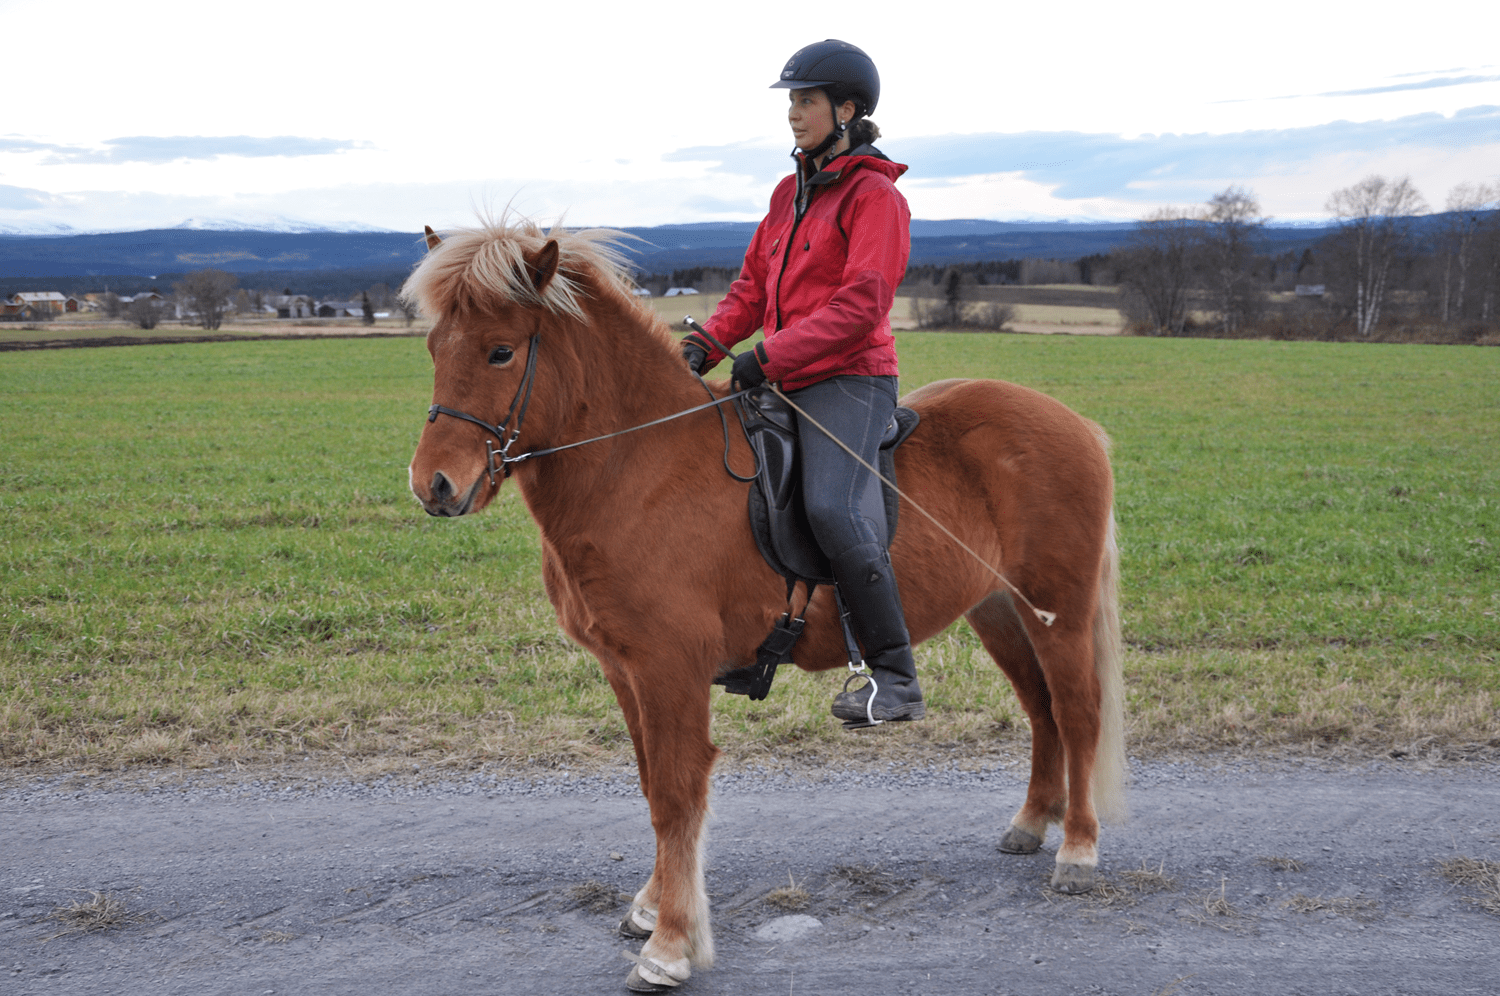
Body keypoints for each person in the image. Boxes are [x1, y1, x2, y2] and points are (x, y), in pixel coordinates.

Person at [681, 39, 922, 725]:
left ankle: (894, 676)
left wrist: (769, 357)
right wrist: (705, 344)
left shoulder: (875, 197)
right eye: (791, 100)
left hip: (849, 378)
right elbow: (755, 284)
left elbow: (862, 305)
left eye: (806, 100)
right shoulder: (789, 192)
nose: (794, 113)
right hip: (784, 373)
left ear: (846, 110)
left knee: (829, 507)